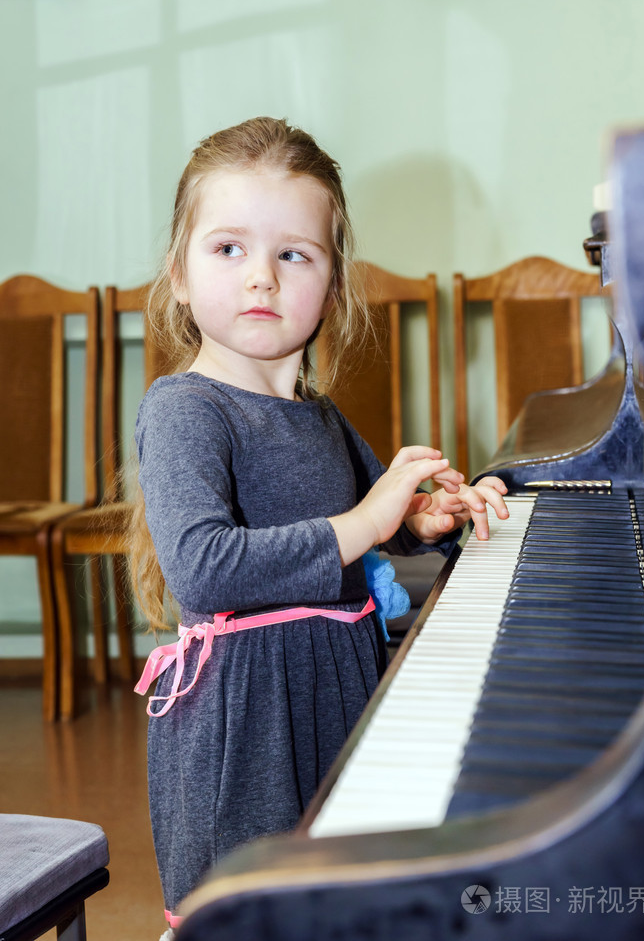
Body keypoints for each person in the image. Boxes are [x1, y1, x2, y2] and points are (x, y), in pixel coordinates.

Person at [129, 116, 508, 934]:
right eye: (228, 248)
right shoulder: (185, 409)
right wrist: (369, 519)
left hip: (334, 684)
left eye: (293, 254)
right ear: (181, 277)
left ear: (332, 284)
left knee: (332, 900)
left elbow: (382, 522)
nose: (260, 277)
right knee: (250, 908)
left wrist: (425, 516)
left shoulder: (317, 412)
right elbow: (203, 566)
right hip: (246, 719)